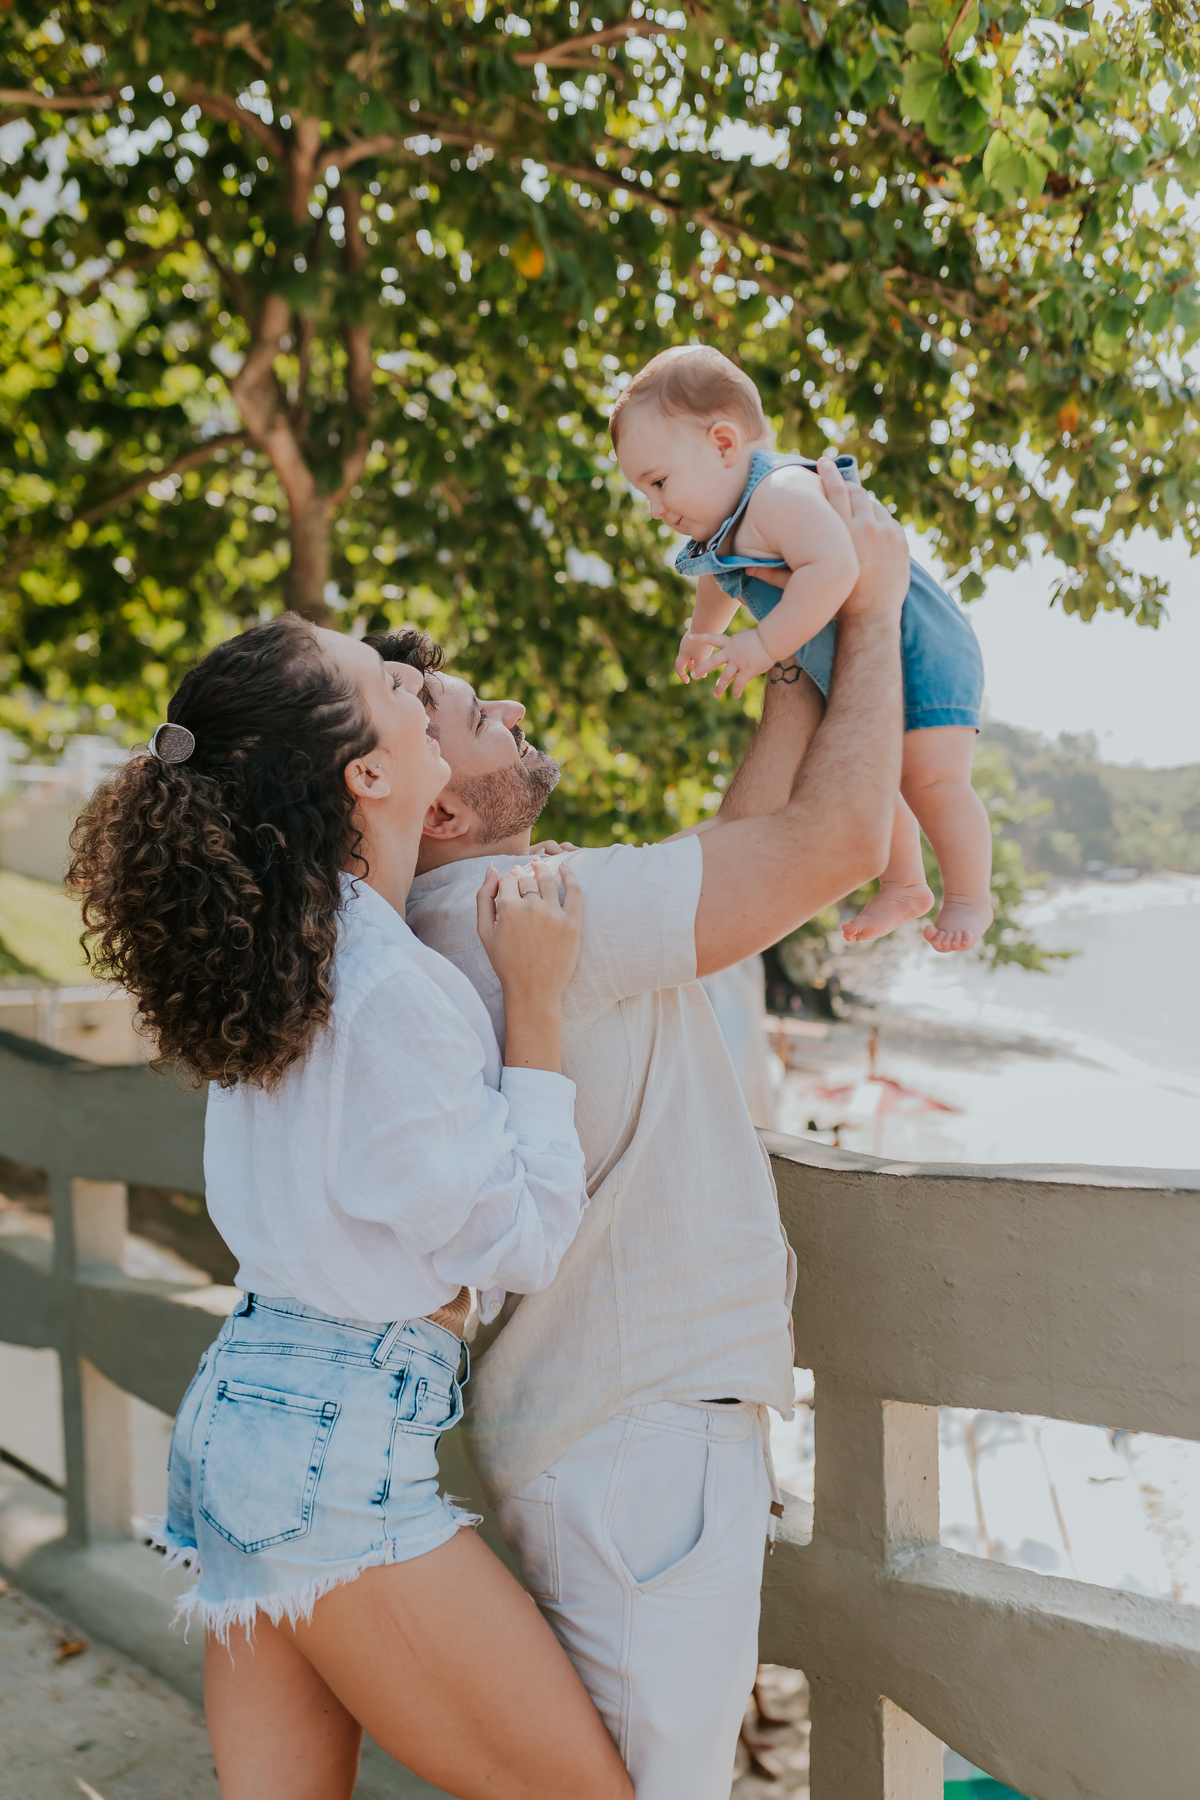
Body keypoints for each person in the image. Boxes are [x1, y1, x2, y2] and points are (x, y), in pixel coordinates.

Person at [383, 463, 907, 1800]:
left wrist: (786, 658)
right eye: (474, 715)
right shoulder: (518, 912)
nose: (511, 709)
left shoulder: (481, 923)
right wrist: (872, 610)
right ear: (438, 809)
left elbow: (743, 853)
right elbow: (838, 841)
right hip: (638, 1447)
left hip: (612, 1434)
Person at [67, 615, 632, 1800]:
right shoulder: (386, 989)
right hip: (326, 1448)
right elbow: (522, 1239)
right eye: (393, 687)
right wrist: (534, 1004)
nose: (423, 691)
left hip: (247, 1417)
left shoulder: (282, 957)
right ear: (368, 775)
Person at [611, 343, 993, 953]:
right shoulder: (726, 523)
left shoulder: (780, 492)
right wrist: (701, 633)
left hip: (920, 648)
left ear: (724, 443)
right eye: (644, 493)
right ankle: (904, 882)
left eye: (658, 482)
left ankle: (971, 897)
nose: (655, 508)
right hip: (858, 664)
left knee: (931, 779)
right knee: (869, 773)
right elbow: (718, 577)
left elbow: (836, 566)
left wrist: (763, 643)